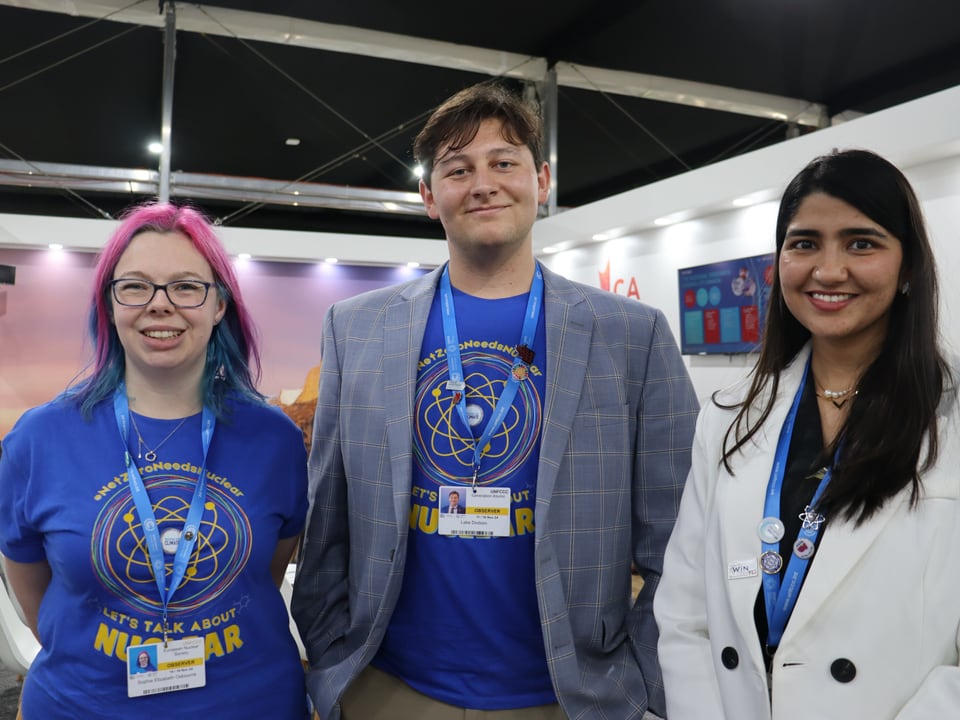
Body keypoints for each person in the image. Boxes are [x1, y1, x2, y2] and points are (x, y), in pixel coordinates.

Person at [292, 81, 699, 720]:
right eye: (458, 169)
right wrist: (331, 665)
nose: (482, 183)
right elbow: (328, 519)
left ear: (541, 180)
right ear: (429, 196)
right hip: (391, 688)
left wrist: (644, 685)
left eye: (503, 162)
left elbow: (678, 539)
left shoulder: (630, 334)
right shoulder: (356, 327)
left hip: (571, 695)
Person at [654, 149, 960, 720]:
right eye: (804, 243)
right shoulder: (728, 417)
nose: (828, 269)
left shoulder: (950, 415)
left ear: (909, 264)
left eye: (861, 242)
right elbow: (685, 613)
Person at [0, 203, 309, 719]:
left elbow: (264, 576)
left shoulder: (274, 438)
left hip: (249, 703)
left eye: (186, 286)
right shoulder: (40, 438)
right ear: (109, 303)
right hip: (84, 707)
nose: (159, 305)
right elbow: (35, 597)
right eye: (136, 286)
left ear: (219, 305)